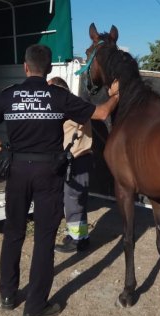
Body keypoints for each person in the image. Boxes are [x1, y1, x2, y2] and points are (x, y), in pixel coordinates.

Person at [0, 44, 119, 316]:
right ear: (48, 69)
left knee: (13, 233)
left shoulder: (9, 96)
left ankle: (8, 295)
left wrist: (3, 150)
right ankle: (35, 306)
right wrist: (117, 94)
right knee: (44, 239)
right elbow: (102, 114)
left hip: (17, 169)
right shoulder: (58, 96)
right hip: (49, 172)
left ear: (25, 67)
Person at [48, 77, 93, 253]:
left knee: (73, 200)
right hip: (75, 160)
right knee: (75, 201)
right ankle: (81, 237)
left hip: (77, 159)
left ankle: (76, 241)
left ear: (60, 90)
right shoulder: (72, 104)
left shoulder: (72, 105)